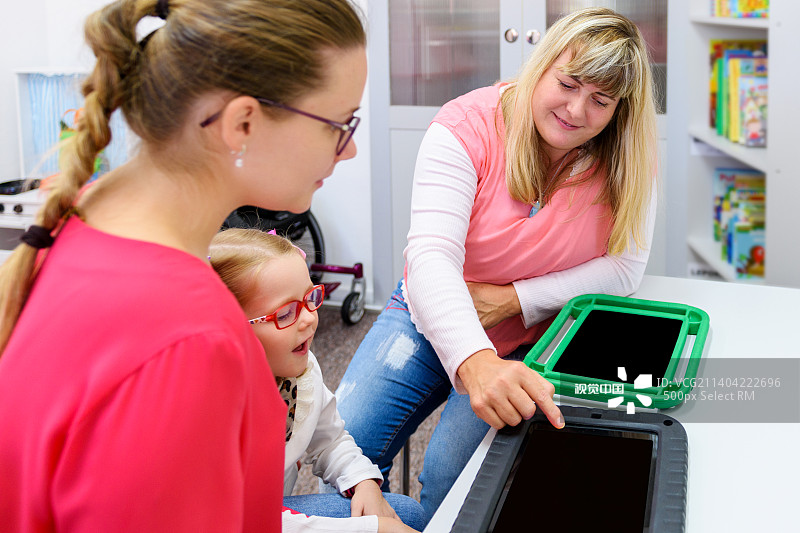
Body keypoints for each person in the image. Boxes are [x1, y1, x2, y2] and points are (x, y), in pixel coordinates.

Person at [0, 0, 366, 531]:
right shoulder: (189, 342)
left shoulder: (85, 217)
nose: (350, 149)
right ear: (242, 123)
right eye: (339, 123)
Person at [335, 6, 659, 524]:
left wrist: (514, 301)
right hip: (429, 312)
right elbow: (430, 257)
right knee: (345, 451)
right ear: (543, 64)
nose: (576, 110)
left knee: (456, 484)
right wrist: (475, 360)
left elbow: (624, 270)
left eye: (601, 100)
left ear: (620, 110)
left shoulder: (627, 161)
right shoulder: (466, 125)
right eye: (568, 83)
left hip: (535, 338)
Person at [210, 228, 425, 533]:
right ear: (230, 330)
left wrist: (362, 480)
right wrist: (371, 529)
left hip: (268, 506)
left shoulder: (300, 370)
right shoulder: (212, 415)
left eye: (310, 298)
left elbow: (329, 438)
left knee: (407, 514)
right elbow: (243, 520)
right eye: (285, 313)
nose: (310, 318)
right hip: (235, 520)